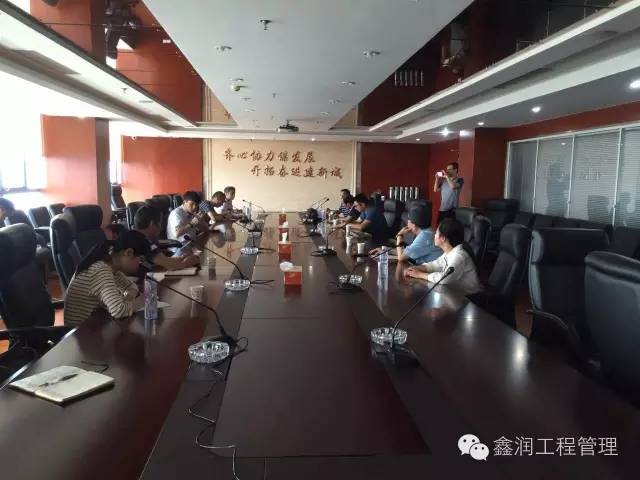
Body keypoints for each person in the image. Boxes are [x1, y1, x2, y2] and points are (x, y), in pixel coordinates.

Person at [63, 230, 150, 326]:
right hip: (81, 330)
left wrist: (128, 298)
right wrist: (144, 300)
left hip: (95, 324)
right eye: (140, 259)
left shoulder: (112, 268)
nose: (140, 264)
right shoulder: (101, 270)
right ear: (128, 253)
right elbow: (118, 311)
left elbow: (132, 286)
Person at [404, 218, 482, 295]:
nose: (434, 235)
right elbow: (435, 265)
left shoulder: (459, 256)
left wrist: (419, 274)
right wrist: (417, 268)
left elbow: (444, 278)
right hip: (455, 292)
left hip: (470, 297)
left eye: (436, 233)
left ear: (443, 238)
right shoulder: (450, 252)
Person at [134, 205, 200, 270]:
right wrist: (190, 260)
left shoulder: (139, 237)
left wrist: (180, 258)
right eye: (160, 223)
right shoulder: (144, 242)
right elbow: (170, 266)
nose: (161, 228)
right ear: (152, 223)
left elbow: (163, 262)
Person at [371, 205, 441, 264]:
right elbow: (407, 253)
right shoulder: (429, 231)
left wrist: (399, 236)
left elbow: (401, 257)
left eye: (408, 221)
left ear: (414, 224)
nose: (407, 224)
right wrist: (385, 250)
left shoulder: (424, 236)